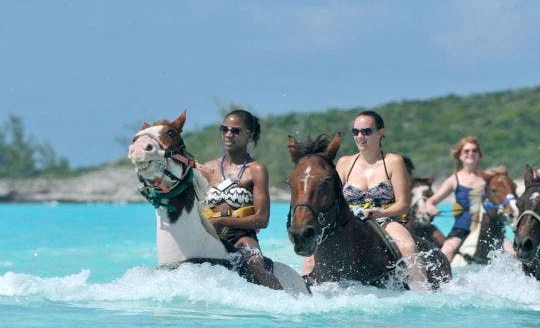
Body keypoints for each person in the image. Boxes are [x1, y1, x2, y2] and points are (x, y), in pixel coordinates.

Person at [304, 110, 428, 288]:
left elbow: (403, 205)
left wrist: (379, 213)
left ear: (380, 132)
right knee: (310, 258)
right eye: (356, 132)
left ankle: (422, 293)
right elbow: (333, 200)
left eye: (366, 131)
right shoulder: (344, 163)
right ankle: (303, 296)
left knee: (408, 246)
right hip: (347, 222)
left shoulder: (394, 161)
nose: (360, 136)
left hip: (383, 219)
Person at [200, 110, 282, 289]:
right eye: (224, 129)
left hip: (242, 238)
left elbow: (262, 219)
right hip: (209, 236)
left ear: (249, 135)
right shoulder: (207, 168)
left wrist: (221, 220)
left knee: (256, 266)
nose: (228, 135)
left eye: (235, 131)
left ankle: (285, 301)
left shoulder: (256, 169)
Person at [424, 136, 486, 262]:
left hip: (487, 227)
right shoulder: (454, 179)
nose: (471, 153)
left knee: (514, 252)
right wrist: (431, 208)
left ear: (479, 154)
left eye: (474, 150)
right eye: (466, 151)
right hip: (462, 228)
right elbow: (431, 201)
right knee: (445, 252)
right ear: (460, 155)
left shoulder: (488, 178)